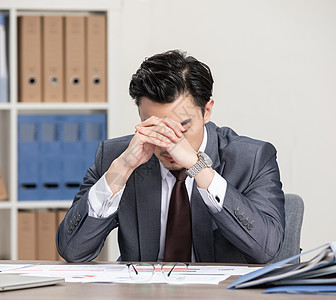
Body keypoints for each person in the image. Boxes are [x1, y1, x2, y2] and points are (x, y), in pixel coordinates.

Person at [56, 50, 285, 263]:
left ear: (206, 111)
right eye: (157, 129)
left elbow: (266, 249)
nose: (169, 145)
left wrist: (198, 168)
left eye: (182, 129)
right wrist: (122, 169)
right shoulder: (116, 157)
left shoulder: (252, 158)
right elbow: (73, 251)